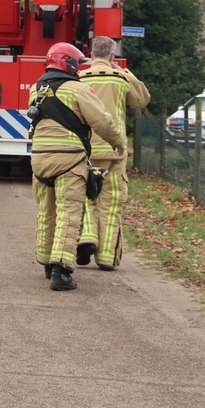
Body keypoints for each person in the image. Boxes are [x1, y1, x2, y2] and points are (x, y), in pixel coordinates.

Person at [29, 42, 125, 291]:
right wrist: (118, 142)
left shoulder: (36, 88)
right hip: (69, 160)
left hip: (39, 160)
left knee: (46, 211)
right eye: (77, 63)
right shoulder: (77, 90)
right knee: (69, 213)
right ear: (69, 64)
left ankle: (46, 261)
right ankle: (61, 272)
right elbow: (102, 121)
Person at [77, 36, 150, 271]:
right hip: (114, 150)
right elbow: (142, 101)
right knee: (111, 201)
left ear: (90, 55)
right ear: (112, 56)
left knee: (84, 194)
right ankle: (107, 257)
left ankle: (87, 234)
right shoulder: (120, 78)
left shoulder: (79, 79)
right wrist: (126, 72)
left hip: (86, 149)